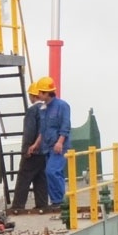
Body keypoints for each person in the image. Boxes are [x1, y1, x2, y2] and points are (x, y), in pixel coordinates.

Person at [10, 82, 48, 212]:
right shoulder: (46, 109)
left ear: (33, 95)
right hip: (45, 151)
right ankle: (42, 204)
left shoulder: (32, 111)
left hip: (33, 150)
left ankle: (18, 206)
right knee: (40, 178)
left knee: (24, 177)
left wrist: (26, 148)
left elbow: (29, 131)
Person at [36, 75, 71, 207]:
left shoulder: (62, 106)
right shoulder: (43, 108)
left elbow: (65, 125)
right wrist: (36, 144)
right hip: (47, 146)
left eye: (40, 92)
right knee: (55, 173)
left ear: (47, 93)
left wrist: (60, 142)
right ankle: (56, 201)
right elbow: (43, 129)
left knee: (52, 171)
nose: (38, 95)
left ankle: (60, 200)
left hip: (59, 146)